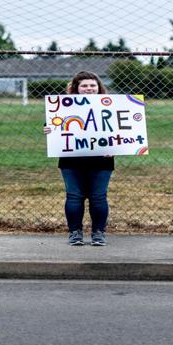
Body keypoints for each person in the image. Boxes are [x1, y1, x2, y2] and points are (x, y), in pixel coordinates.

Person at [44, 71, 115, 246]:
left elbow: (124, 131)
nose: (89, 88)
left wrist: (116, 147)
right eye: (84, 85)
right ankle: (75, 233)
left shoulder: (112, 106)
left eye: (92, 85)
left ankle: (98, 233)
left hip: (101, 159)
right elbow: (53, 124)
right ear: (76, 88)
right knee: (74, 196)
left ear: (99, 87)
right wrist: (48, 129)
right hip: (71, 159)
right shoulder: (63, 106)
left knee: (98, 197)